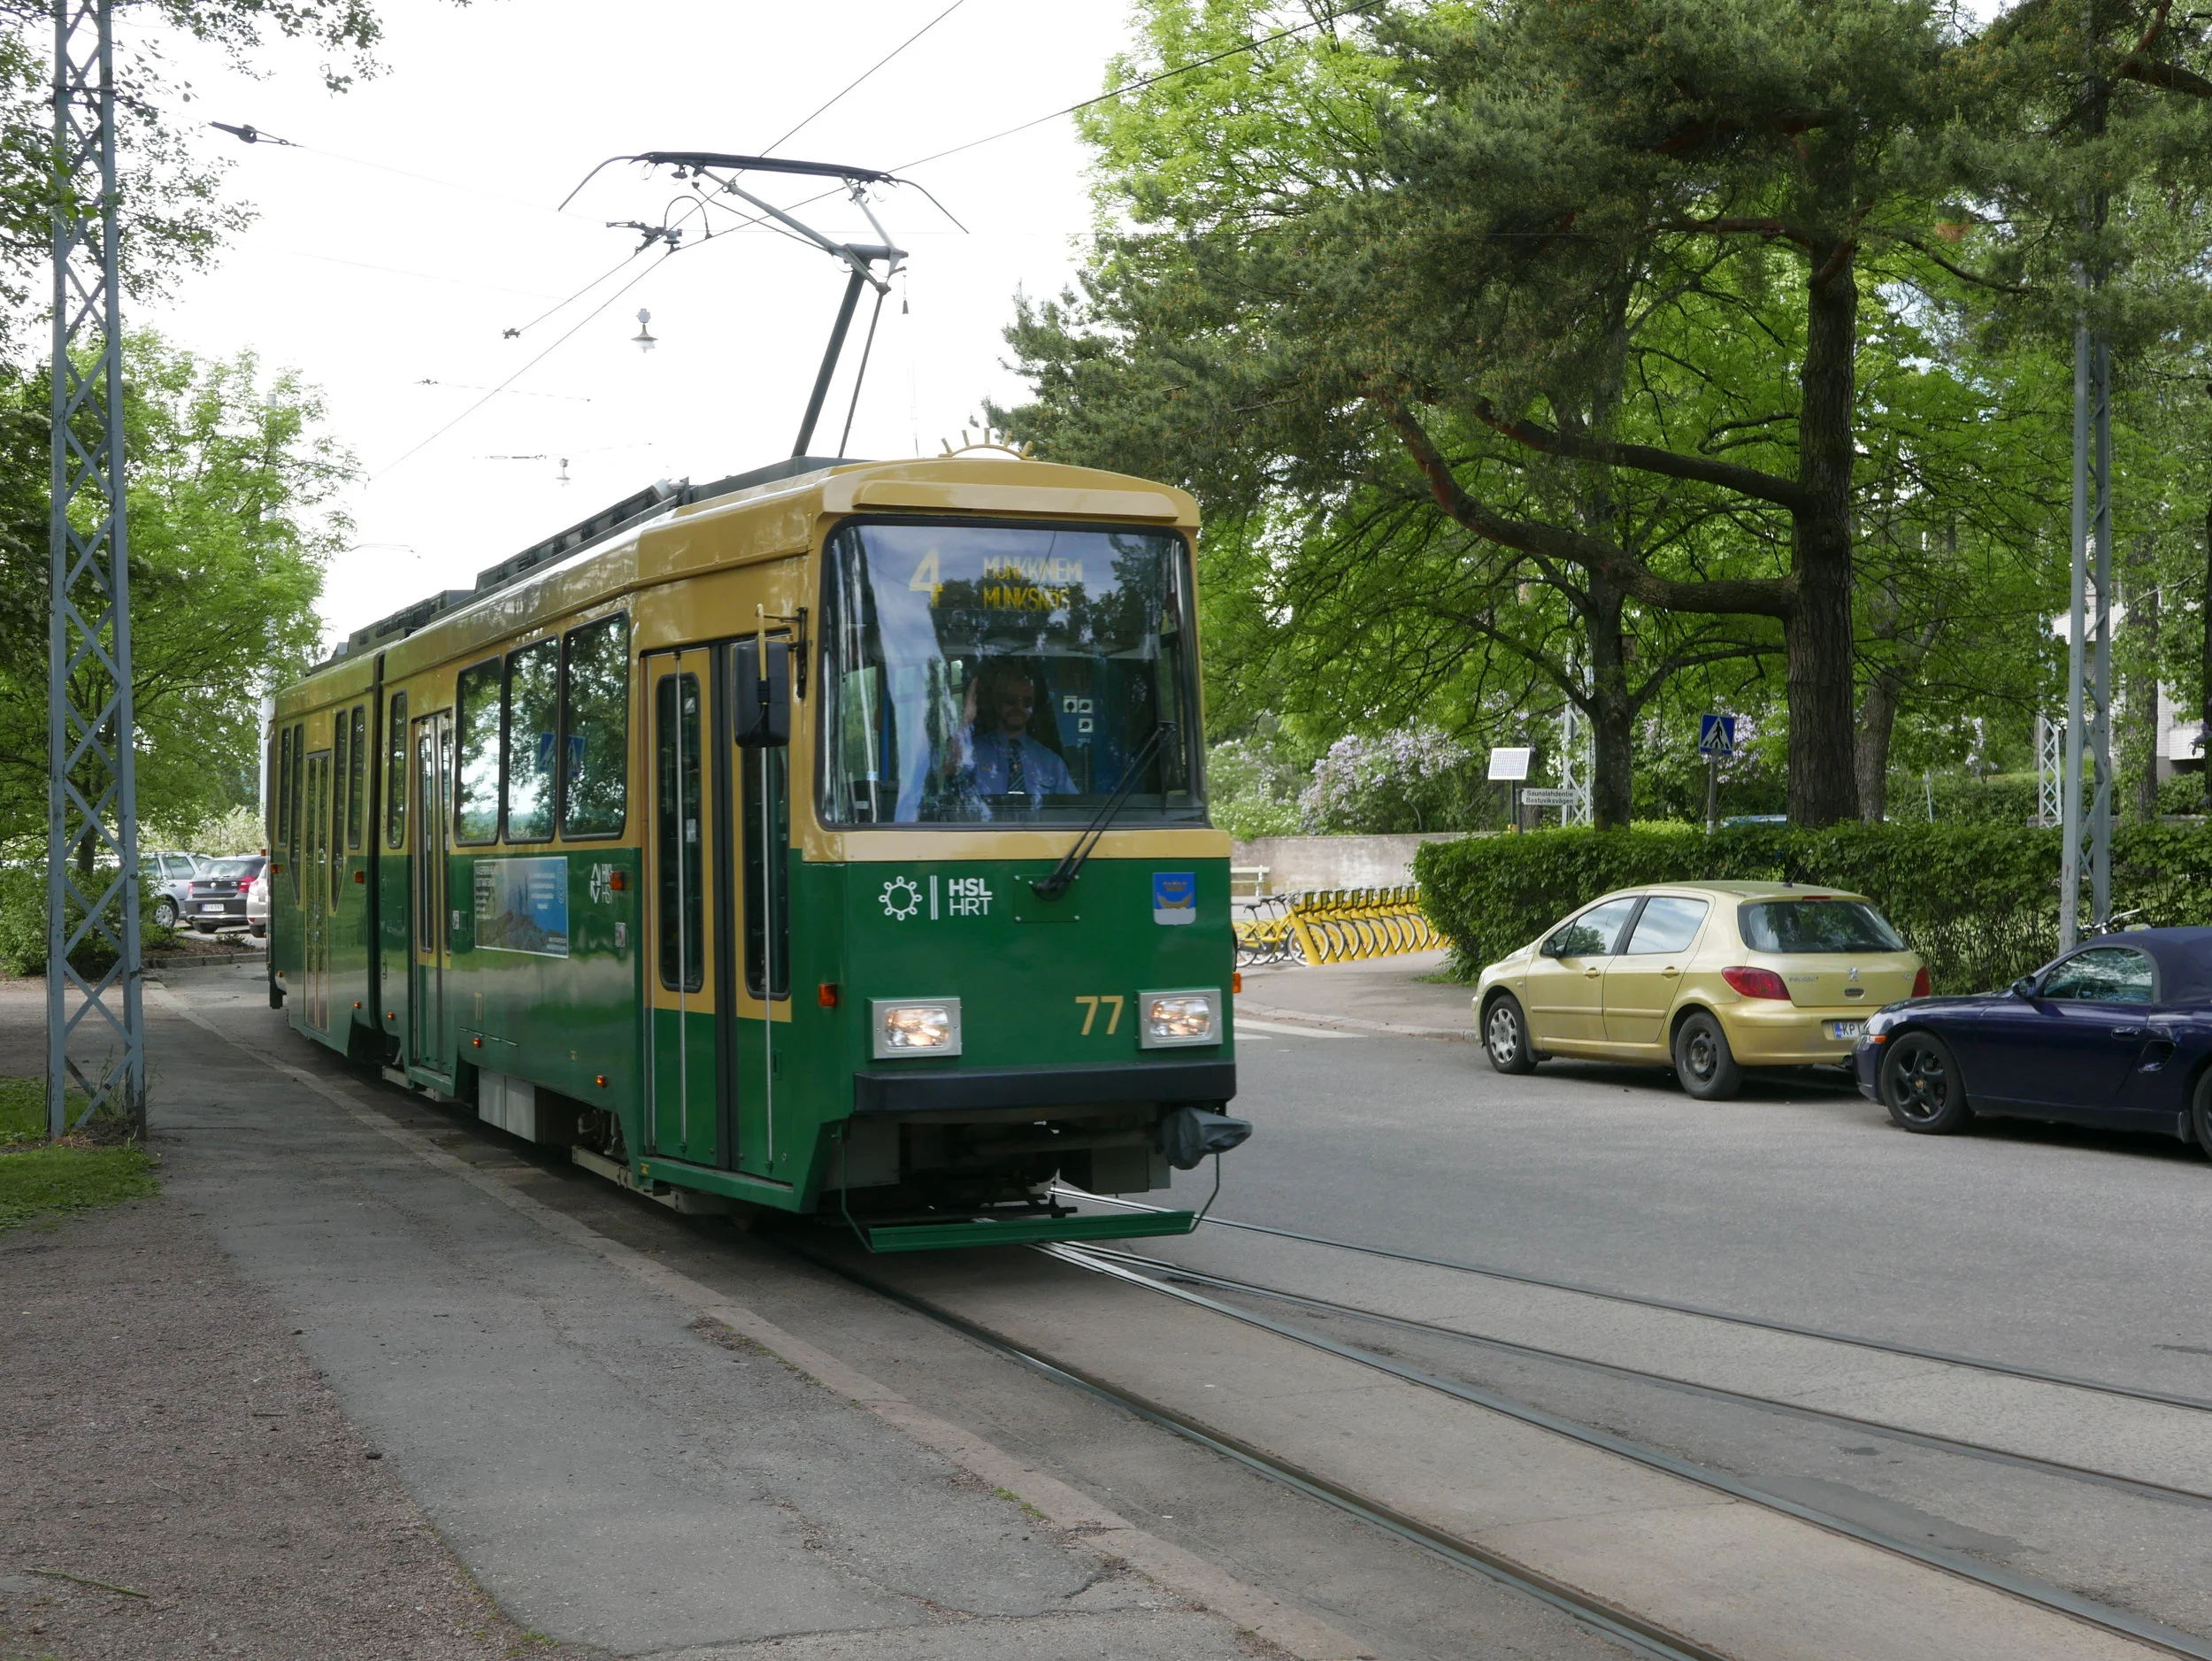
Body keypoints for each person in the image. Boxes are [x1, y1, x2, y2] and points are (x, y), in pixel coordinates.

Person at [956, 660, 1074, 798]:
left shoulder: (1051, 761)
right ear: (995, 701)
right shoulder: (971, 752)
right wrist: (966, 720)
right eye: (1010, 700)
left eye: (1027, 702)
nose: (1018, 708)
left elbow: (1072, 810)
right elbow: (948, 768)